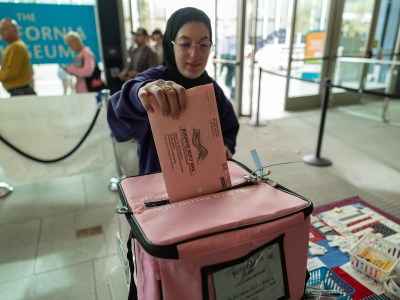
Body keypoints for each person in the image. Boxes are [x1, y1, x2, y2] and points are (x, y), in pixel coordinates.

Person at [107, 7, 239, 175]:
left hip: (205, 183)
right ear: (170, 44)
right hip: (159, 187)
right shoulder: (155, 79)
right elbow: (119, 117)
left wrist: (225, 146)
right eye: (185, 44)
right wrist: (140, 95)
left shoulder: (212, 89)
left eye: (204, 45)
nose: (195, 54)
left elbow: (228, 128)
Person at [0, 18, 36, 96]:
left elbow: (11, 71)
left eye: (4, 29)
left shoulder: (16, 46)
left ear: (14, 30)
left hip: (21, 92)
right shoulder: (12, 46)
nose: (1, 32)